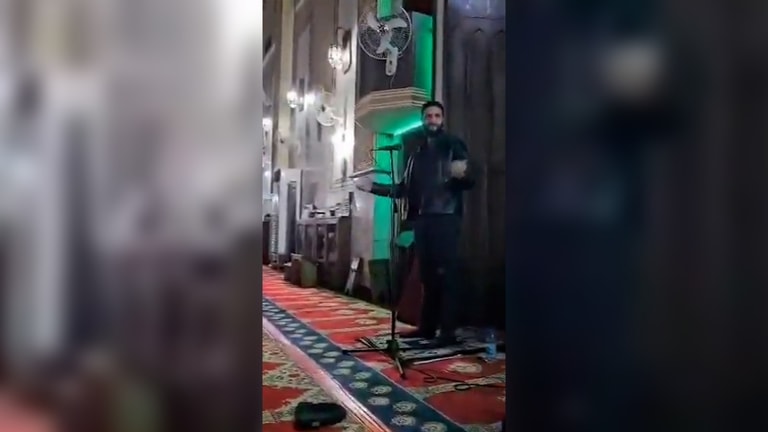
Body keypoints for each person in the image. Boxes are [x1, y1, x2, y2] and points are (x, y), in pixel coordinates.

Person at [356, 100, 474, 346]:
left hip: (446, 218)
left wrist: (462, 176)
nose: (432, 120)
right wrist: (372, 187)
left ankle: (448, 333)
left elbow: (469, 181)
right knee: (428, 277)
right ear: (422, 120)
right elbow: (403, 190)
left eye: (437, 116)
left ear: (442, 119)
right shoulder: (416, 155)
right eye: (428, 116)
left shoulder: (453, 145)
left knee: (445, 277)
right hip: (423, 220)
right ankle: (427, 328)